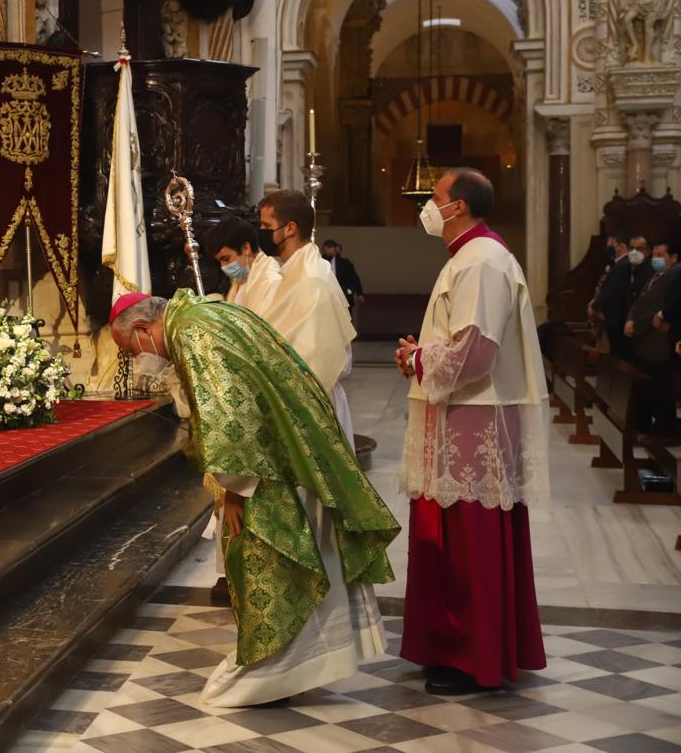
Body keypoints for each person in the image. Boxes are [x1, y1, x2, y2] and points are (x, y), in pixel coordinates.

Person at [110, 291, 398, 706]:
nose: (139, 359)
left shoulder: (193, 333)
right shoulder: (203, 314)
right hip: (287, 449)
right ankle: (301, 661)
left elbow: (231, 413)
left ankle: (272, 672)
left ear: (142, 329)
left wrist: (232, 488)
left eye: (132, 349)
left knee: (268, 560)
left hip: (266, 466)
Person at [394, 168, 548, 694]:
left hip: (473, 417)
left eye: (435, 197)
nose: (428, 205)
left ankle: (470, 657)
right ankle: (449, 647)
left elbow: (476, 354)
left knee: (468, 539)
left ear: (457, 206)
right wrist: (421, 356)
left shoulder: (481, 260)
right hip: (459, 415)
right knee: (452, 535)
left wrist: (419, 358)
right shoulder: (469, 256)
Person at [257, 190, 358, 449]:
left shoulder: (310, 279)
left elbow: (309, 357)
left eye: (266, 226)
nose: (262, 232)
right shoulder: (298, 272)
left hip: (313, 402)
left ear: (290, 228)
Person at [627, 238, 679, 439]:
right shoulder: (657, 274)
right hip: (644, 339)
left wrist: (638, 327)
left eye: (660, 256)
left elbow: (655, 307)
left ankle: (666, 429)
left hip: (656, 340)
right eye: (654, 255)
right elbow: (641, 301)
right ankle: (645, 424)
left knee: (660, 387)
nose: (655, 259)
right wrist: (630, 319)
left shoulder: (675, 273)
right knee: (647, 387)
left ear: (673, 257)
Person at [590, 230, 650, 357]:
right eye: (632, 248)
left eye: (639, 248)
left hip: (629, 322)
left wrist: (595, 306)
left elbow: (612, 291)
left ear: (648, 251)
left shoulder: (646, 271)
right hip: (620, 320)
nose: (635, 252)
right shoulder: (628, 266)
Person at [320, 239, 365, 314]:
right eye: (326, 254)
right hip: (325, 298)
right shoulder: (319, 262)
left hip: (343, 297)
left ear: (335, 251)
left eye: (330, 254)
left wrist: (358, 293)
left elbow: (354, 278)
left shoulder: (344, 263)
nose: (328, 256)